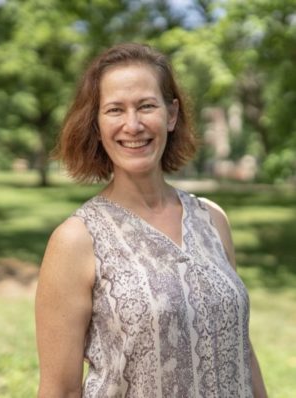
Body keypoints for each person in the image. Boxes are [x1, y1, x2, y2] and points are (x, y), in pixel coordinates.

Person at [35, 42, 268, 397]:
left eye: (146, 106)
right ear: (97, 125)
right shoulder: (76, 240)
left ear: (171, 115)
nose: (133, 124)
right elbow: (60, 391)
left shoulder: (213, 219)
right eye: (115, 109)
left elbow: (241, 350)